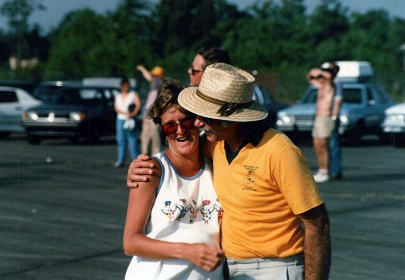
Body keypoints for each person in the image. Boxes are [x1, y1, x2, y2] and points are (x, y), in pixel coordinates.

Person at [128, 63, 331, 280]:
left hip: (274, 269)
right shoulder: (217, 145)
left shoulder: (279, 151)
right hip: (230, 271)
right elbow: (179, 152)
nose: (197, 122)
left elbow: (317, 223)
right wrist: (139, 167)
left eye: (204, 117)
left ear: (230, 120)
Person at [123, 79, 224, 279]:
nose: (180, 130)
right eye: (170, 126)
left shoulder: (217, 163)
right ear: (163, 130)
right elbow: (131, 242)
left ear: (197, 121)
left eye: (186, 121)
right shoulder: (151, 171)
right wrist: (188, 251)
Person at [307, 62, 340, 182]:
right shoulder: (321, 86)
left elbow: (329, 77)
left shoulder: (332, 85)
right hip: (318, 118)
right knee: (317, 145)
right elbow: (310, 78)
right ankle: (321, 170)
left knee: (323, 145)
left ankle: (325, 171)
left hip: (326, 118)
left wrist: (319, 72)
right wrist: (312, 73)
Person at [113, 76, 142, 168]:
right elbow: (116, 108)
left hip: (131, 119)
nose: (125, 87)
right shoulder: (118, 96)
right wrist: (124, 113)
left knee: (132, 140)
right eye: (123, 86)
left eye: (127, 86)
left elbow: (138, 104)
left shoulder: (133, 94)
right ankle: (120, 160)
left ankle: (136, 161)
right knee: (121, 140)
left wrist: (132, 113)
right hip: (121, 119)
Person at [136, 65, 164, 156]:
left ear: (159, 76)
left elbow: (149, 77)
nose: (153, 78)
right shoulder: (153, 89)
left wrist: (142, 69)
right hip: (148, 115)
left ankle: (156, 157)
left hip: (155, 116)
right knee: (145, 137)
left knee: (155, 138)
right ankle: (144, 155)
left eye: (155, 76)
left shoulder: (160, 86)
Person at [324, 62, 343, 180]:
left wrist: (334, 116)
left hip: (331, 116)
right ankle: (327, 169)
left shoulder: (337, 83)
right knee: (325, 144)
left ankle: (335, 171)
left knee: (333, 143)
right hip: (325, 116)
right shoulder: (327, 83)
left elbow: (338, 100)